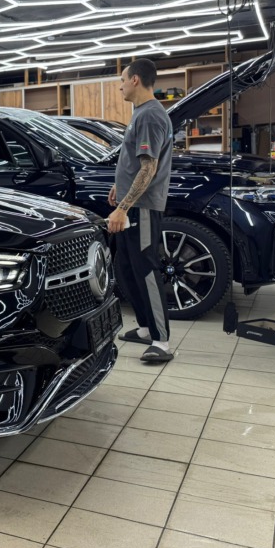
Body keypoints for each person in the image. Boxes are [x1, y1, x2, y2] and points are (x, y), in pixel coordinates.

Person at [107, 58, 174, 363]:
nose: (120, 86)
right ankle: (146, 328)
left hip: (142, 208)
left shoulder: (149, 115)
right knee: (127, 268)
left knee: (146, 270)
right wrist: (119, 186)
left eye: (122, 80)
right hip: (132, 203)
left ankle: (161, 341)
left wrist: (123, 207)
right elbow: (136, 163)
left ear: (135, 80)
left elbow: (149, 168)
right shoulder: (141, 113)